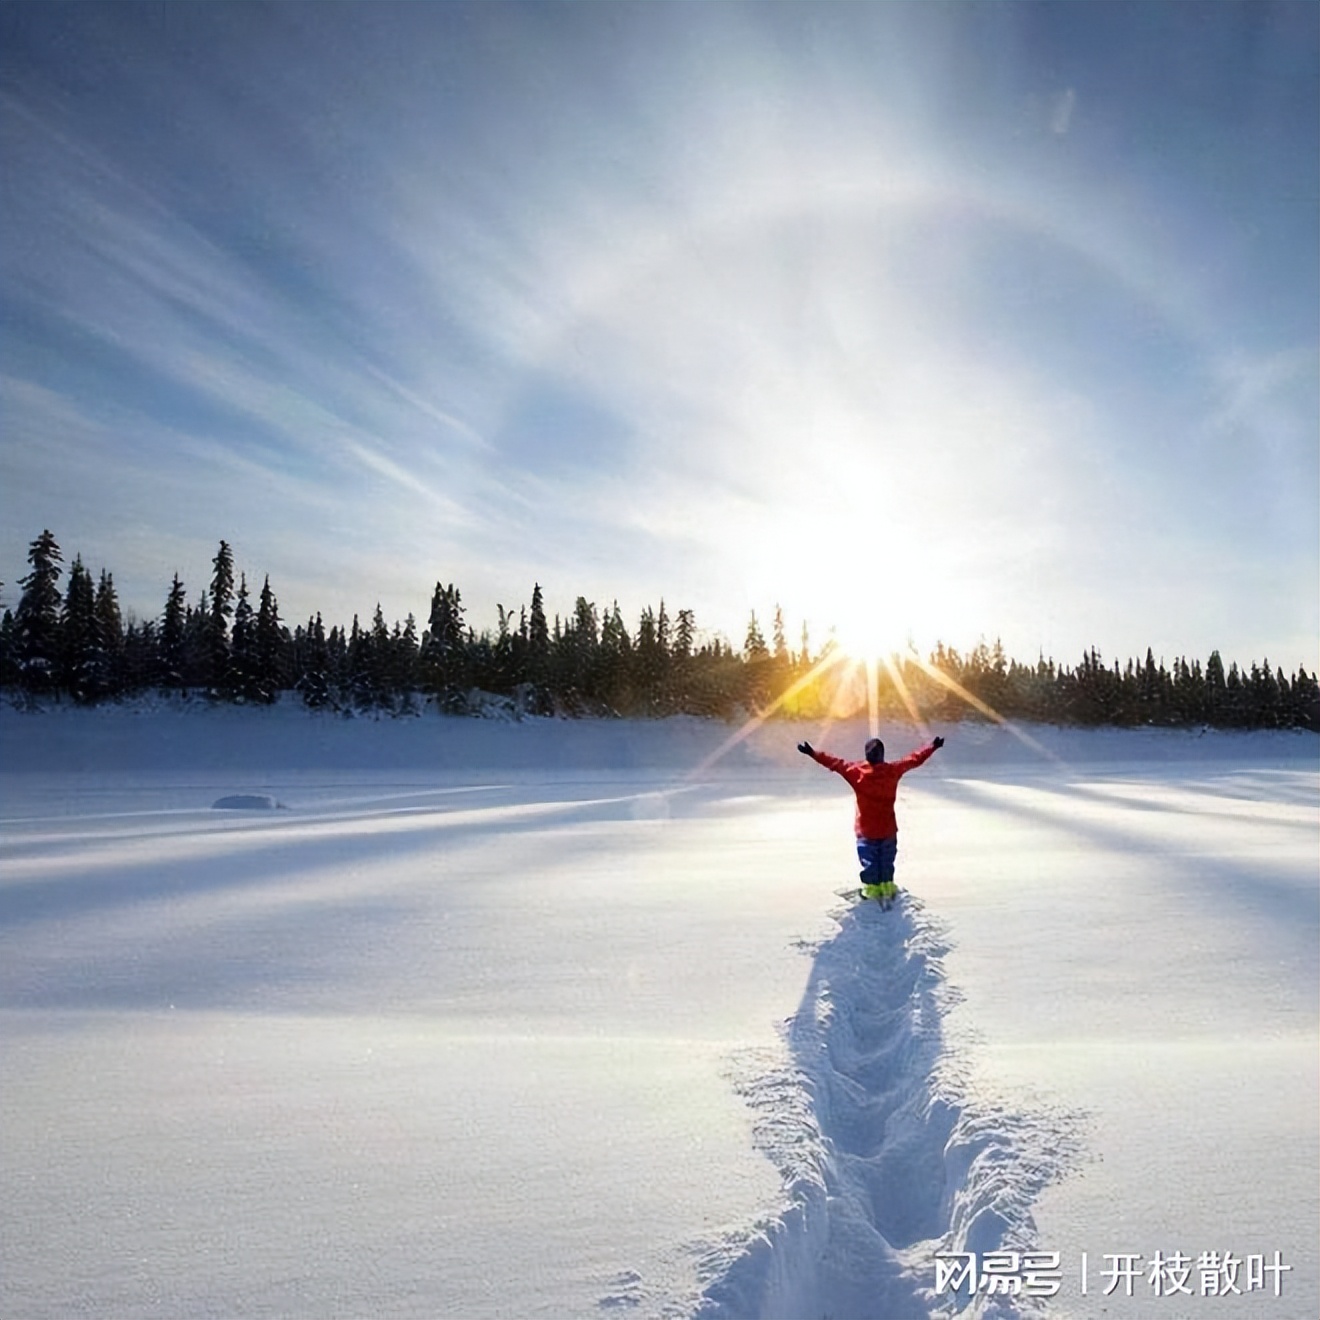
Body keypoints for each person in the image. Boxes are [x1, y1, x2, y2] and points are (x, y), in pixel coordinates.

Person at [797, 733, 945, 903]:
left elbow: (835, 764)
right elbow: (914, 759)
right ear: (882, 755)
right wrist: (932, 746)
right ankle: (887, 885)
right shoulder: (892, 771)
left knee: (869, 861)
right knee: (886, 859)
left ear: (867, 755)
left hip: (866, 831)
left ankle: (871, 888)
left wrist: (813, 753)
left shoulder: (856, 772)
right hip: (888, 829)